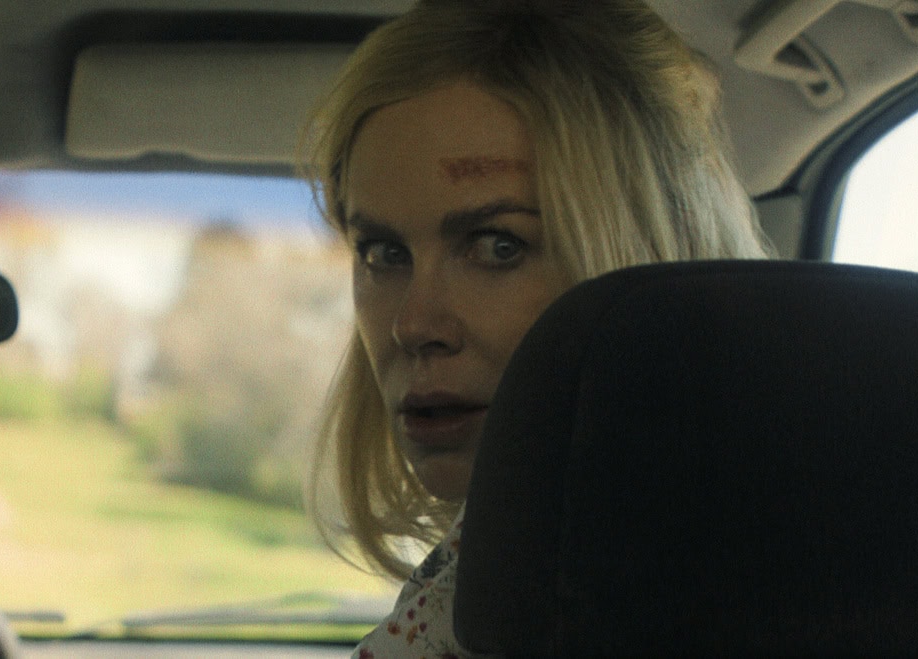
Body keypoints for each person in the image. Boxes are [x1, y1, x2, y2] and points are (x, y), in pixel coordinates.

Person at [302, 0, 771, 655]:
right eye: (383, 253)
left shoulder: (687, 600)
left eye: (498, 246)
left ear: (653, 254)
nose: (413, 323)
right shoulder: (499, 579)